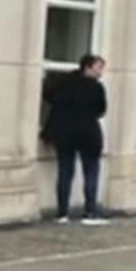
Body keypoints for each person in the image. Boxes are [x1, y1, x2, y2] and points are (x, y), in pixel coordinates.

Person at [42, 54, 109, 224]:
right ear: (88, 67)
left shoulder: (63, 82)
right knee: (91, 171)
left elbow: (48, 95)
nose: (101, 72)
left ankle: (62, 213)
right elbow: (101, 110)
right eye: (98, 67)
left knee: (65, 171)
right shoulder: (96, 87)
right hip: (88, 133)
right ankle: (90, 211)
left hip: (64, 133)